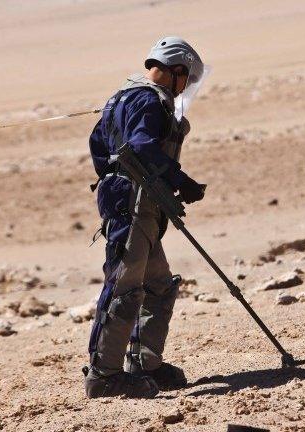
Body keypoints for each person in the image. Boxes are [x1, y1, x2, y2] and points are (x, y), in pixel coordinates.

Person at [83, 36, 207, 398]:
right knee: (124, 286)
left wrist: (117, 182)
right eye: (186, 78)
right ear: (175, 71)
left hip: (133, 199)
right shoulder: (151, 100)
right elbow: (139, 145)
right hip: (133, 203)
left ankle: (143, 362)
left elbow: (98, 146)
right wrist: (179, 180)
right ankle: (103, 375)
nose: (186, 87)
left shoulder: (121, 97)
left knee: (158, 284)